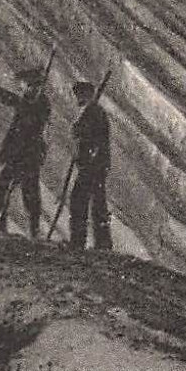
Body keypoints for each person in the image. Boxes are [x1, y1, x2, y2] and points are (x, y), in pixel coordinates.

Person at [0, 67, 51, 237]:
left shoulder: (41, 104)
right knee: (2, 189)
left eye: (26, 84)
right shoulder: (29, 101)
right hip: (17, 155)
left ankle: (34, 231)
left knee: (30, 194)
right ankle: (1, 224)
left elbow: (20, 104)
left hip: (28, 156)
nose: (22, 87)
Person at [67, 77, 113, 251]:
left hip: (92, 165)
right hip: (94, 164)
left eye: (80, 94)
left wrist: (77, 129)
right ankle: (102, 243)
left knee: (80, 200)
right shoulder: (92, 111)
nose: (77, 98)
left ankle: (79, 241)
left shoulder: (93, 112)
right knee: (97, 202)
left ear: (88, 95)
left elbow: (90, 137)